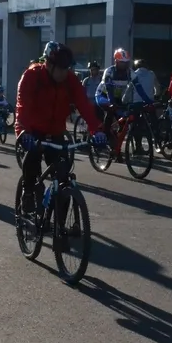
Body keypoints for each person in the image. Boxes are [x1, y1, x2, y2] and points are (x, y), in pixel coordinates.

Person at [15, 42, 106, 214]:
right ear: (48, 65)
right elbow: (22, 106)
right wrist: (23, 132)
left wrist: (97, 130)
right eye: (61, 69)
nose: (65, 73)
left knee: (64, 176)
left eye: (67, 69)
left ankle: (60, 227)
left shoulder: (70, 80)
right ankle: (27, 194)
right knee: (32, 159)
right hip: (34, 130)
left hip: (56, 131)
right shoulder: (32, 76)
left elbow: (84, 105)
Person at [99, 48, 132, 130]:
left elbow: (136, 88)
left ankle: (116, 139)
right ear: (116, 61)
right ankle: (106, 134)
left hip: (117, 97)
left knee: (123, 121)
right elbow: (109, 89)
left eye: (126, 62)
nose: (124, 65)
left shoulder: (129, 72)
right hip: (104, 95)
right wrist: (112, 103)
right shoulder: (109, 71)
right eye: (122, 62)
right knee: (111, 111)